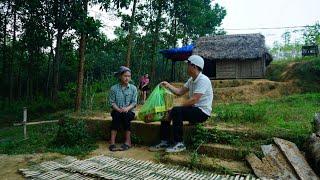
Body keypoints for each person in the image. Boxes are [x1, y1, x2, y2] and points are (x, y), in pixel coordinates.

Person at [149, 55, 213, 153]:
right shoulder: (191, 80)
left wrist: (176, 107)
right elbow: (179, 92)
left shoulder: (203, 80)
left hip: (202, 112)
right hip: (194, 109)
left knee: (176, 111)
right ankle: (164, 141)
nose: (186, 67)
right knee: (167, 111)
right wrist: (168, 85)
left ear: (194, 66)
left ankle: (179, 143)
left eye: (188, 65)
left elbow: (194, 100)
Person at [108, 66, 137, 151]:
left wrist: (127, 108)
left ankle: (128, 141)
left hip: (129, 112)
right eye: (125, 76)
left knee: (126, 115)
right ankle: (112, 142)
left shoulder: (133, 88)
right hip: (117, 110)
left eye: (129, 76)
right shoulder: (114, 88)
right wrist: (118, 109)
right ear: (120, 76)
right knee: (116, 115)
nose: (127, 78)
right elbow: (112, 102)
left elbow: (134, 102)